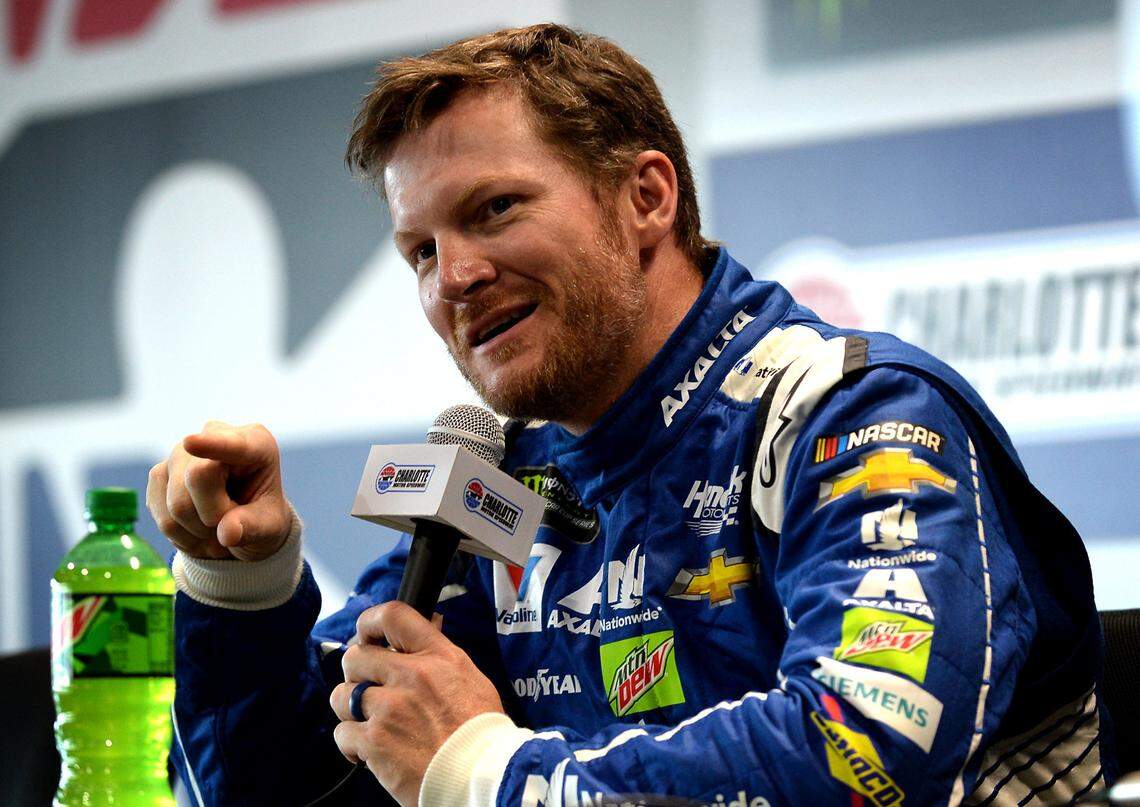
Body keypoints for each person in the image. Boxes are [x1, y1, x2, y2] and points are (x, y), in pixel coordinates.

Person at [147, 23, 1117, 807]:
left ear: (646, 196)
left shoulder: (853, 416)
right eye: (421, 252)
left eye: (494, 210)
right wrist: (243, 583)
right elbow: (281, 791)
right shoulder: (499, 486)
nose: (457, 279)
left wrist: (485, 773)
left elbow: (865, 757)